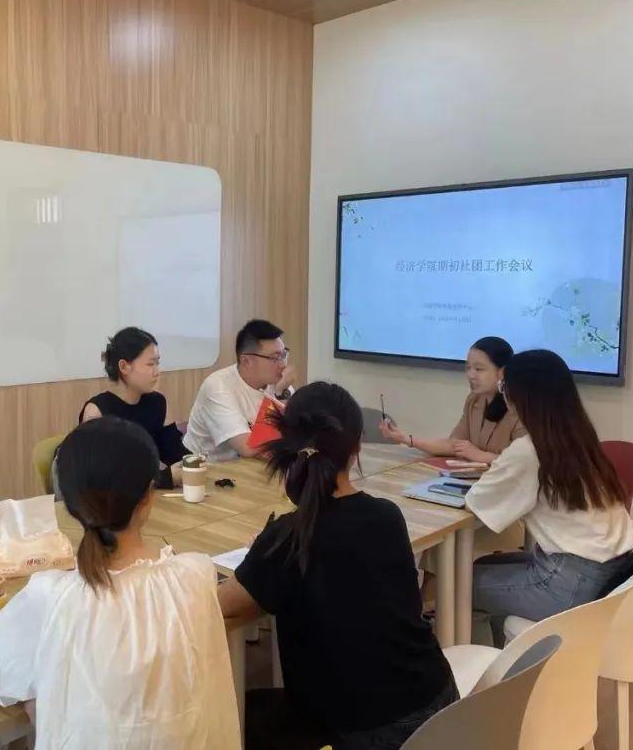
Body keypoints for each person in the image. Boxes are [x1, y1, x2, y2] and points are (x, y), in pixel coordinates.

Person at [0, 417, 241, 750]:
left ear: (70, 505)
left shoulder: (51, 597)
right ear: (149, 496)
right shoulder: (195, 576)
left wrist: (38, 705)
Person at [218, 382, 456, 750]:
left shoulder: (287, 538)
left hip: (361, 731)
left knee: (235, 716)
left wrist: (259, 558)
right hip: (439, 703)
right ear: (357, 446)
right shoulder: (387, 516)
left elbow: (222, 605)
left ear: (285, 443)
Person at [466, 350, 633, 646]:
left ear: (520, 396)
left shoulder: (529, 450)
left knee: (460, 584)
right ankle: (499, 655)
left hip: (569, 585)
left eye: (504, 386)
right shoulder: (579, 437)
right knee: (481, 567)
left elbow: (477, 503)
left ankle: (482, 668)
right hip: (612, 572)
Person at [379, 336, 525, 463]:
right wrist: (405, 439)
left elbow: (526, 461)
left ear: (502, 372)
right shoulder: (474, 400)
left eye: (479, 369)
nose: (471, 375)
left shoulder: (519, 407)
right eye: (468, 368)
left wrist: (481, 456)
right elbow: (454, 445)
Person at [79, 327, 189, 483]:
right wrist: (164, 478)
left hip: (147, 492)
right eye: (150, 364)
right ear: (124, 367)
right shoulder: (97, 411)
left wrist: (196, 462)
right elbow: (102, 478)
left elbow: (172, 450)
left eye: (157, 363)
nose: (157, 372)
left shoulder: (157, 402)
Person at [183, 318, 297, 462]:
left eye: (284, 355)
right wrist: (280, 397)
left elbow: (297, 431)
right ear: (246, 361)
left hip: (249, 464)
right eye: (275, 358)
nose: (283, 364)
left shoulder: (277, 382)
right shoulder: (218, 387)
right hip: (208, 466)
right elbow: (248, 448)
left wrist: (282, 395)